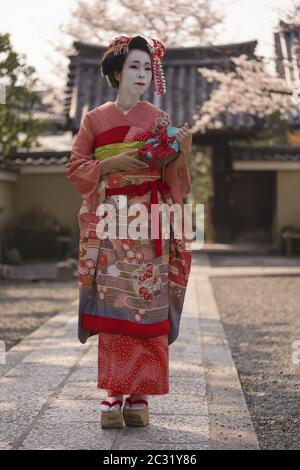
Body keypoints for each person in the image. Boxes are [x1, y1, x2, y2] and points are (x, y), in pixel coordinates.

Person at [66, 34, 193, 428]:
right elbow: (75, 166)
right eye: (134, 67)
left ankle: (139, 395)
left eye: (146, 67)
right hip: (111, 220)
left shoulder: (159, 119)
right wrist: (112, 163)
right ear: (118, 73)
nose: (141, 74)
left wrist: (183, 153)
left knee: (147, 305)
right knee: (115, 304)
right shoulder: (95, 119)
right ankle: (112, 394)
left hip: (151, 220)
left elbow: (175, 178)